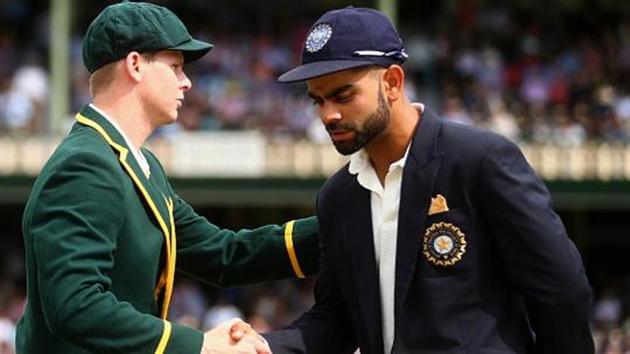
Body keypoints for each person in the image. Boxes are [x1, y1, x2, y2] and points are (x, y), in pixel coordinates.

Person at [264, 7, 594, 354]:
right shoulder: (338, 196)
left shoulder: (480, 161)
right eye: (318, 100)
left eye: (343, 96)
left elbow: (561, 292)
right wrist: (263, 347)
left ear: (392, 82)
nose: (328, 114)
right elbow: (337, 319)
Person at [15, 2, 319, 354]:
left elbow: (224, 254)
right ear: (135, 65)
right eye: (175, 66)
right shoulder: (86, 164)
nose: (186, 82)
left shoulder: (137, 163)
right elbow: (75, 305)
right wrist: (200, 345)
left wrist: (341, 227)